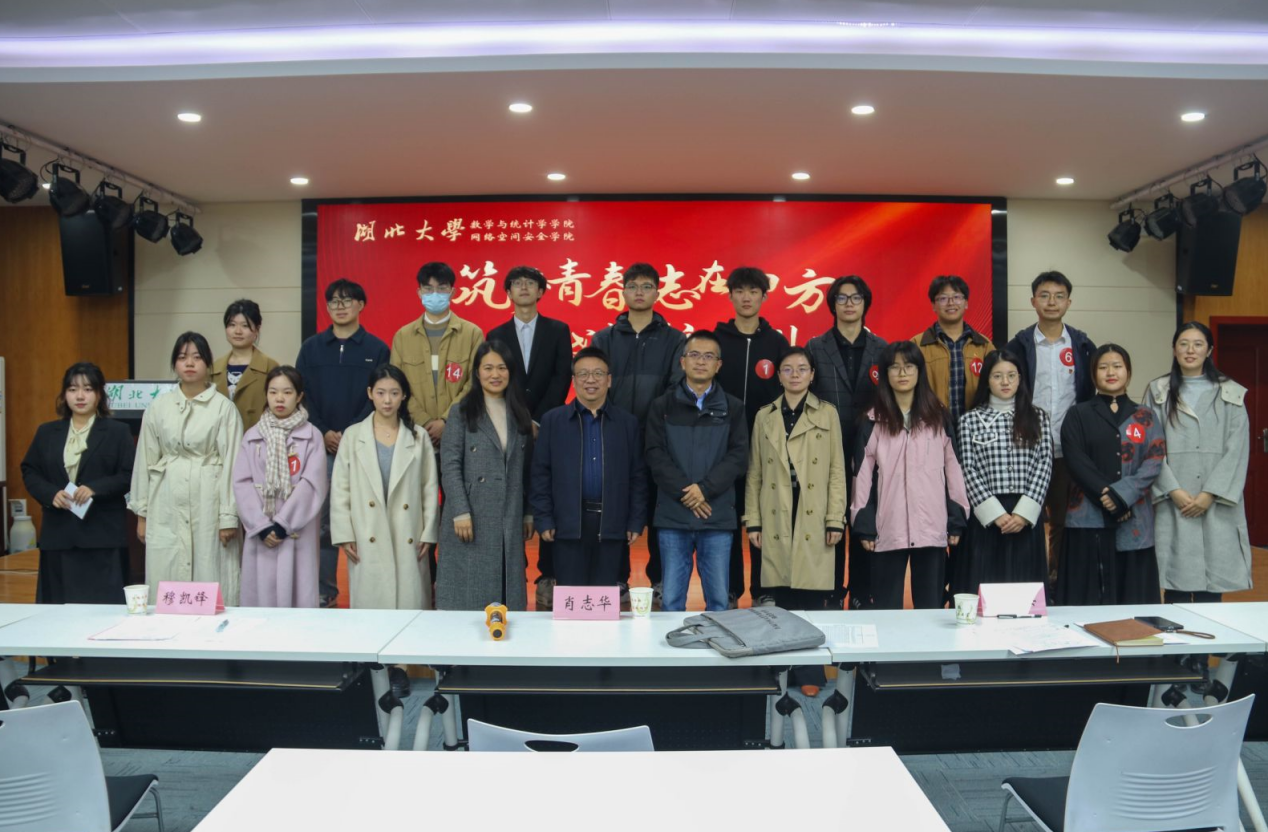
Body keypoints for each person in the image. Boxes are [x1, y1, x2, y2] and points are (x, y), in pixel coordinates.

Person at [592, 263, 686, 608]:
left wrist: (651, 424)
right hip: (612, 439)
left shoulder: (675, 339)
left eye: (647, 286)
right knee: (613, 511)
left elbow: (677, 386)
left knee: (660, 514)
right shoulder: (603, 339)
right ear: (623, 292)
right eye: (632, 286)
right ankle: (616, 580)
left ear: (658, 292)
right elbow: (594, 383)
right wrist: (618, 423)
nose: (639, 292)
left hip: (660, 440)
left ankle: (660, 581)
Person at [295, 278, 391, 608]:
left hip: (363, 446)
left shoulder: (377, 349)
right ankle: (325, 591)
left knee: (367, 521)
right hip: (319, 447)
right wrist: (323, 431)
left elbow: (381, 396)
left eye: (347, 300)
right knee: (322, 524)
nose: (340, 306)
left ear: (361, 305)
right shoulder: (311, 348)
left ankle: (371, 592)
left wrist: (350, 432)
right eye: (334, 301)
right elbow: (302, 394)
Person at [852, 342, 969, 610]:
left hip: (931, 526)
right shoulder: (872, 421)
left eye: (909, 366)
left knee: (931, 608)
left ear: (919, 371)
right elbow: (862, 477)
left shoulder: (939, 418)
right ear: (885, 374)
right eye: (894, 367)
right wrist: (864, 522)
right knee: (887, 610)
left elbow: (953, 469)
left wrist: (956, 518)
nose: (902, 373)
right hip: (887, 528)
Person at [129, 333, 244, 604]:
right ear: (174, 364)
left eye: (197, 357)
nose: (189, 363)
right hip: (165, 499)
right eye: (182, 358)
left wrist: (228, 517)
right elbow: (144, 463)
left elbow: (234, 465)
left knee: (210, 570)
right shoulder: (158, 408)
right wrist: (142, 514)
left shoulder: (224, 409)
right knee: (167, 572)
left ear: (208, 364)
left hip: (209, 499)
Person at [1145, 323, 1251, 603]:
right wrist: (1173, 490)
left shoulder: (1231, 392)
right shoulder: (1158, 391)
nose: (1190, 350)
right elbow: (1150, 446)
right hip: (1173, 499)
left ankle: (1206, 634)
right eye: (1183, 343)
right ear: (1174, 349)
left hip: (1216, 501)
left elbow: (1237, 449)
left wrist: (1209, 494)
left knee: (1211, 586)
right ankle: (1176, 635)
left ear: (1209, 350)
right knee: (1174, 583)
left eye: (1198, 344)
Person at [1004, 270, 1097, 587]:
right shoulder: (1018, 346)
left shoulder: (1083, 346)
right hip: (1026, 448)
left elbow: (1089, 396)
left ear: (1069, 302)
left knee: (1063, 520)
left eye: (1059, 296)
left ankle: (1057, 583)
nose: (1052, 302)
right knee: (1023, 516)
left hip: (1067, 450)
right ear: (1033, 301)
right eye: (1044, 295)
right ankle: (1026, 583)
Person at [487, 265, 573, 603]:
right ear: (508, 292)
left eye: (530, 283)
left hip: (547, 427)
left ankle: (548, 575)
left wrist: (538, 420)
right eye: (517, 283)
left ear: (541, 291)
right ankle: (513, 569)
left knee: (548, 498)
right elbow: (496, 378)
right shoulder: (495, 333)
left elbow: (561, 376)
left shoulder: (558, 330)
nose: (523, 288)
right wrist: (518, 418)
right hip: (507, 425)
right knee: (509, 496)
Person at [644, 330, 748, 612]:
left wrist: (704, 490)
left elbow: (738, 457)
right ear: (682, 362)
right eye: (694, 355)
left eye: (708, 356)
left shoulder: (733, 408)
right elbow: (655, 455)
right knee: (671, 601)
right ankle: (672, 645)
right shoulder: (662, 406)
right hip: (673, 516)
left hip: (716, 515)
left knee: (719, 601)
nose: (701, 361)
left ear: (718, 365)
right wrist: (687, 493)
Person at [1057, 344, 1164, 606]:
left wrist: (1122, 496)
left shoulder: (1145, 416)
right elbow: (1076, 460)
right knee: (1087, 597)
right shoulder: (1078, 414)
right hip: (1087, 518)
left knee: (1133, 600)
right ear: (1093, 374)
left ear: (1128, 372)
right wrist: (1109, 496)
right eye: (1103, 367)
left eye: (1117, 366)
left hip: (1134, 519)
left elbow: (1154, 460)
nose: (1111, 372)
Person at [531, 347, 647, 587]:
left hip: (612, 523)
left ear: (609, 380)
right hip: (567, 523)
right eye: (583, 374)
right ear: (574, 381)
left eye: (598, 373)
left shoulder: (627, 423)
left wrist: (635, 520)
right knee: (572, 595)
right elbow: (540, 474)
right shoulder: (553, 421)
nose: (591, 380)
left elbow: (637, 476)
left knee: (605, 596)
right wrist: (544, 518)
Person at [21, 362, 135, 604]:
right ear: (64, 394)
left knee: (102, 610)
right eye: (73, 389)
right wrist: (50, 494)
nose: (80, 396)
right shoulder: (46, 432)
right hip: (59, 535)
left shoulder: (117, 432)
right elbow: (30, 470)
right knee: (58, 610)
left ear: (99, 394)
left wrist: (95, 488)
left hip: (101, 536)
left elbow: (129, 474)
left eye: (88, 389)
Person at [330, 364, 439, 610]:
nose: (387, 400)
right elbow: (340, 489)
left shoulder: (418, 436)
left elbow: (429, 488)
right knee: (371, 611)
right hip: (366, 529)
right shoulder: (353, 436)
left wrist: (429, 532)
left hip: (408, 529)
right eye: (380, 393)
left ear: (404, 395)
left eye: (394, 393)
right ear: (370, 393)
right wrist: (344, 534)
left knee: (410, 607)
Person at [807, 275, 887, 609]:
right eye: (842, 298)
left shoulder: (882, 349)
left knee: (866, 522)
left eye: (856, 298)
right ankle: (829, 592)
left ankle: (861, 594)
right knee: (831, 522)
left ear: (866, 304)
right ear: (832, 305)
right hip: (827, 450)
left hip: (872, 451)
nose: (849, 304)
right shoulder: (815, 348)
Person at [744, 347, 846, 610]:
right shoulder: (764, 416)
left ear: (812, 374)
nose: (795, 375)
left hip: (812, 507)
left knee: (813, 595)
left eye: (802, 369)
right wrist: (753, 521)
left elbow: (836, 471)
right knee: (781, 595)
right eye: (787, 369)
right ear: (778, 375)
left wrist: (835, 518)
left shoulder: (828, 413)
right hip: (776, 506)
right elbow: (755, 473)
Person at [436, 342, 535, 611]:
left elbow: (527, 469)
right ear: (477, 372)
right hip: (471, 514)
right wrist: (460, 510)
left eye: (502, 368)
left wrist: (528, 512)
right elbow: (450, 465)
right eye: (488, 368)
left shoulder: (520, 414)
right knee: (468, 589)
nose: (495, 374)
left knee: (506, 585)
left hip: (509, 512)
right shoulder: (461, 412)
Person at [713, 266, 789, 606]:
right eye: (740, 291)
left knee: (766, 519)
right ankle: (729, 591)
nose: (746, 297)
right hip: (722, 446)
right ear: (730, 296)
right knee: (727, 522)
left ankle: (764, 590)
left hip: (766, 446)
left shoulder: (777, 343)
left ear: (764, 297)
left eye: (753, 291)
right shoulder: (715, 341)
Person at [954, 350, 1053, 594]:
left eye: (1011, 375)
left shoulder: (1038, 417)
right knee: (986, 585)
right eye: (997, 376)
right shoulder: (970, 420)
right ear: (986, 380)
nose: (1005, 382)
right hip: (987, 517)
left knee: (1025, 588)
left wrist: (1023, 513)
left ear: (1020, 379)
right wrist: (994, 513)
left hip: (1025, 513)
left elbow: (1044, 463)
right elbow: (967, 469)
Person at [232, 366, 328, 608]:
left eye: (287, 392)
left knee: (298, 594)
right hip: (261, 529)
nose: (279, 398)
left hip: (297, 528)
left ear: (299, 396)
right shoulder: (252, 436)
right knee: (261, 598)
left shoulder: (312, 436)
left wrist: (284, 523)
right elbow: (242, 483)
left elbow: (313, 483)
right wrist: (261, 525)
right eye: (273, 392)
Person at [390, 261, 484, 450]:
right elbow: (395, 385)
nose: (434, 294)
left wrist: (446, 420)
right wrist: (423, 421)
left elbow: (476, 381)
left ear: (452, 292)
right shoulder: (403, 336)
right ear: (419, 293)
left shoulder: (472, 334)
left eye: (441, 288)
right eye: (428, 288)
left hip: (461, 433)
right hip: (414, 434)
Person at [912, 275, 995, 431]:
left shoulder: (984, 345)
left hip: (976, 430)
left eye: (957, 297)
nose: (951, 303)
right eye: (943, 298)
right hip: (932, 430)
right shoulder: (917, 345)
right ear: (933, 305)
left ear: (966, 303)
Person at [210, 299, 280, 431]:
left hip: (258, 439)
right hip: (219, 440)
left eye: (245, 326)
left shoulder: (271, 368)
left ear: (257, 329)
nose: (238, 331)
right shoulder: (213, 369)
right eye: (232, 325)